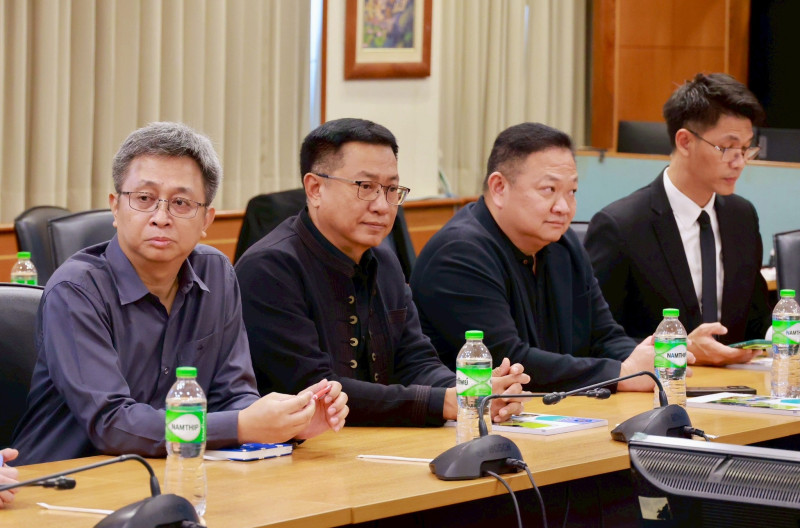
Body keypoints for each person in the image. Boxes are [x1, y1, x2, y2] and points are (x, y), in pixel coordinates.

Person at [11, 122, 348, 465]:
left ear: (206, 220)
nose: (161, 217)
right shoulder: (76, 290)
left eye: (181, 203)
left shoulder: (216, 273)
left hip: (172, 472)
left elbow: (234, 396)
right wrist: (242, 425)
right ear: (115, 207)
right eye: (144, 198)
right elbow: (112, 424)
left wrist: (291, 422)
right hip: (65, 479)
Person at [235, 118, 529, 427]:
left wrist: (474, 393)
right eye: (366, 187)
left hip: (380, 443)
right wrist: (442, 402)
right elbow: (315, 391)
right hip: (299, 449)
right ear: (315, 188)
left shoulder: (385, 262)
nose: (383, 206)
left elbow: (416, 362)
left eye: (391, 189)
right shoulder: (269, 269)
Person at [410, 122, 659, 393]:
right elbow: (509, 360)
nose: (564, 207)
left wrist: (652, 361)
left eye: (572, 192)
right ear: (499, 187)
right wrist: (623, 374)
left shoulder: (564, 245)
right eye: (549, 190)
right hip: (476, 414)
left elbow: (605, 336)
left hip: (555, 410)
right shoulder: (458, 254)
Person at [584, 73, 771, 366]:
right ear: (685, 141)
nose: (739, 162)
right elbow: (596, 338)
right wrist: (680, 350)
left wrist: (779, 333)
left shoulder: (742, 216)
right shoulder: (622, 226)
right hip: (664, 385)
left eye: (746, 149)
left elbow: (755, 318)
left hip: (736, 383)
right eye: (728, 148)